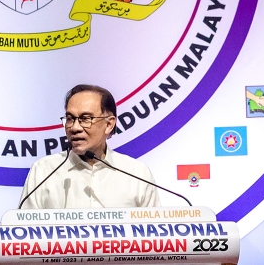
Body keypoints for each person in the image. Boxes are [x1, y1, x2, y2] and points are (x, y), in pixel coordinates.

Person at [18, 84, 160, 209]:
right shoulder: (43, 171)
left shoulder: (137, 174)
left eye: (86, 119)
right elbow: (22, 232)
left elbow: (156, 234)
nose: (75, 127)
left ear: (109, 124)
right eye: (70, 118)